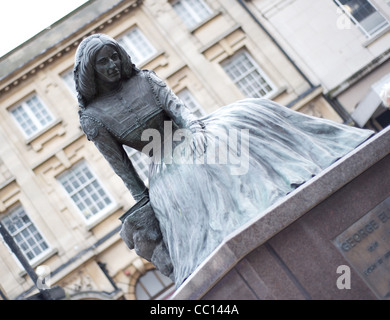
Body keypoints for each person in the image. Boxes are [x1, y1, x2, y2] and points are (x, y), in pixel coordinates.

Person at [73, 34, 374, 287]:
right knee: (200, 174)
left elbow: (179, 110)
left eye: (114, 56)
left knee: (251, 111)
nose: (112, 65)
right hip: (165, 167)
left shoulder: (144, 79)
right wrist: (147, 207)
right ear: (91, 69)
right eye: (103, 62)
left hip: (194, 133)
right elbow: (125, 173)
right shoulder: (93, 118)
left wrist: (194, 134)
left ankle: (323, 158)